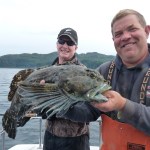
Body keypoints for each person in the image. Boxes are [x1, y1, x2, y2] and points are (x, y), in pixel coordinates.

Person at [93, 9, 150, 149]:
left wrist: (123, 105)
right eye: (118, 34)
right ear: (114, 40)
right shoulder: (103, 72)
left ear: (147, 31)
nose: (125, 37)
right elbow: (87, 112)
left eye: (132, 29)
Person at [41, 27, 100, 150]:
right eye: (62, 41)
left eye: (70, 43)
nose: (65, 45)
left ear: (76, 47)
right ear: (57, 44)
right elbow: (40, 110)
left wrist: (62, 107)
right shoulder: (46, 72)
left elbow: (89, 111)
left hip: (77, 139)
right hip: (50, 136)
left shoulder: (86, 74)